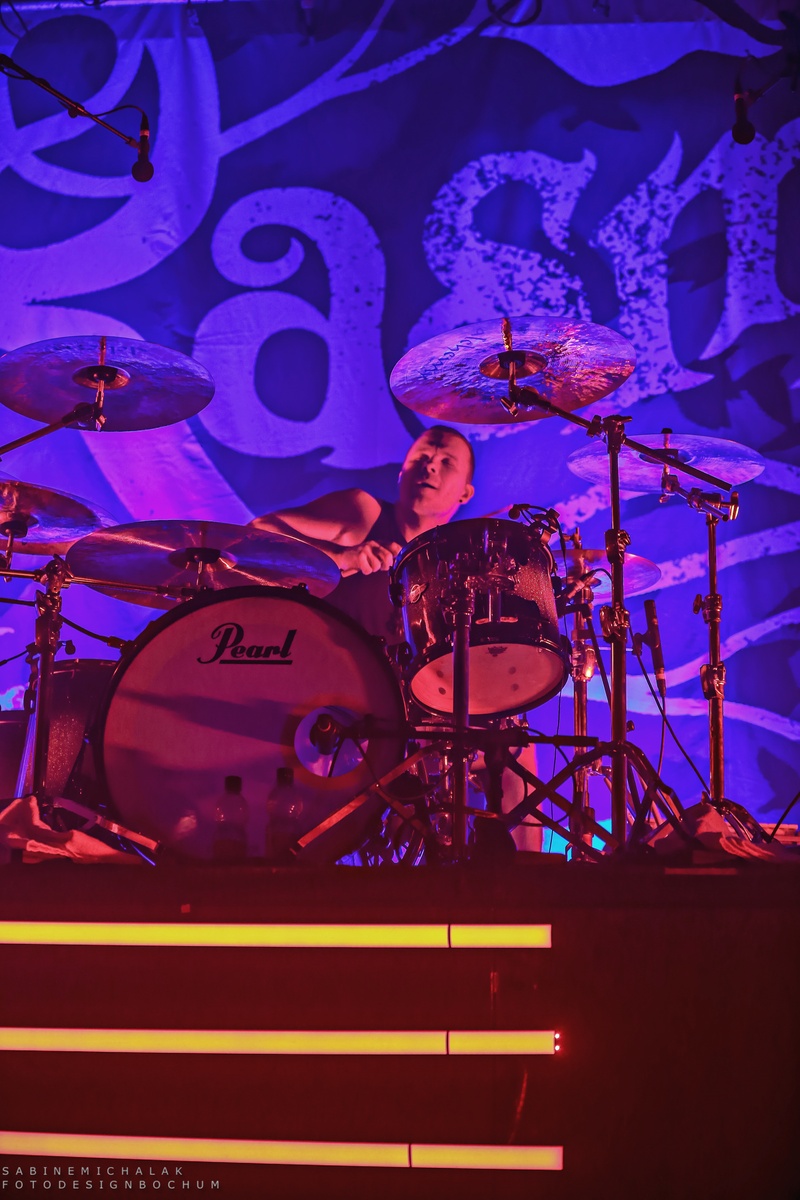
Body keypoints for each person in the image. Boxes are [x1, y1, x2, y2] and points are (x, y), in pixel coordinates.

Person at [251, 424, 541, 854]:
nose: (430, 466)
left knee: (514, 747)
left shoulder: (458, 565)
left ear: (465, 494)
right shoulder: (364, 513)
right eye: (422, 457)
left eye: (446, 462)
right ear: (401, 473)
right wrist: (342, 557)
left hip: (417, 713)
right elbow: (260, 531)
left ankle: (526, 878)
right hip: (346, 705)